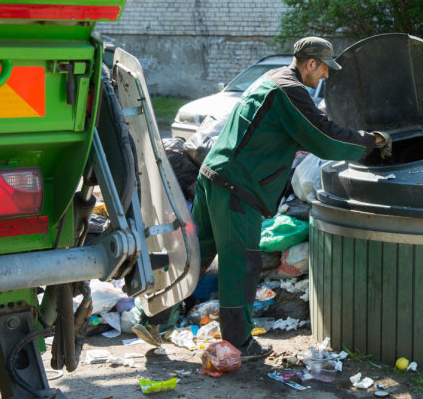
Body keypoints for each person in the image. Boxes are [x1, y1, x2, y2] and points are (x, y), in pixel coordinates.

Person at [134, 37, 392, 360]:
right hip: (237, 186)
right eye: (325, 68)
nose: (326, 76)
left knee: (192, 256)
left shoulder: (270, 79)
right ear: (310, 64)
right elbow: (323, 136)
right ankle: (239, 343)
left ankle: (153, 319)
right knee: (240, 264)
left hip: (213, 175)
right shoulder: (291, 91)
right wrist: (371, 141)